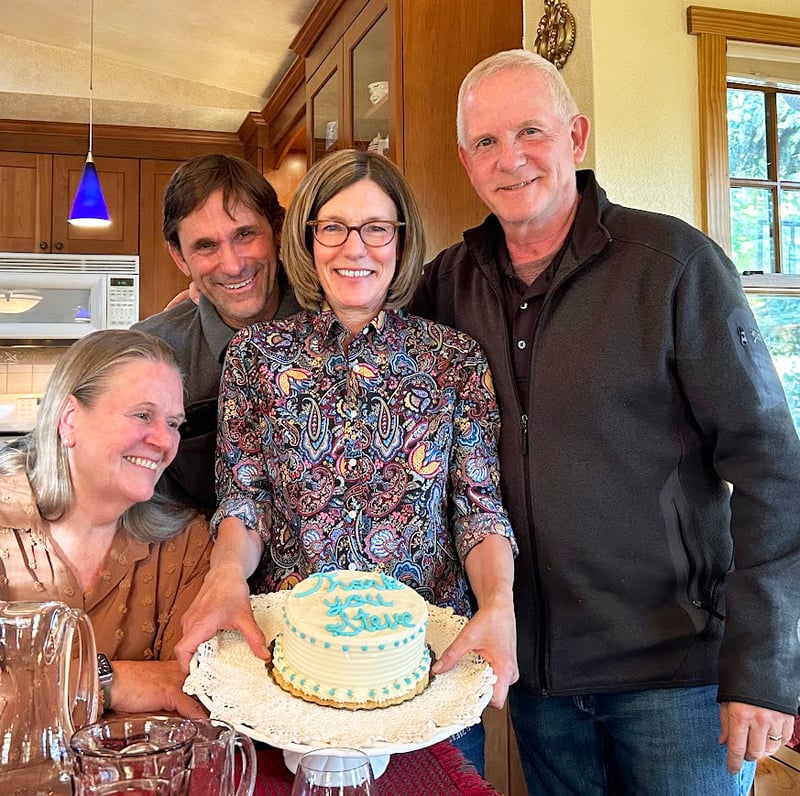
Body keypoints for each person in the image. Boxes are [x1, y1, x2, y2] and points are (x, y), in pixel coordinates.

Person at [410, 49, 800, 794]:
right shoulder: (447, 284)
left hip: (678, 679)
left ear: (576, 137)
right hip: (535, 683)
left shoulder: (675, 265)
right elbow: (372, 383)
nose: (510, 159)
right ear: (465, 160)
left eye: (531, 131)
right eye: (486, 142)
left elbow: (773, 470)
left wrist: (765, 664)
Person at [175, 148, 519, 773]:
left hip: (426, 672)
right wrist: (225, 571)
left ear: (401, 240)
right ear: (307, 240)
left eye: (376, 228)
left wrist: (499, 601)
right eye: (332, 227)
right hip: (291, 675)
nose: (354, 248)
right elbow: (245, 498)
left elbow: (479, 509)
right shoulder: (257, 356)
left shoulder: (456, 359)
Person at [0, 329, 213, 718]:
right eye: (143, 415)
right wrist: (109, 681)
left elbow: (190, 702)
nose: (165, 442)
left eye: (174, 423)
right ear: (69, 419)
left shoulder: (187, 546)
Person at [133, 154, 300, 516]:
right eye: (206, 245)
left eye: (245, 234)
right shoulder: (149, 355)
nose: (233, 265)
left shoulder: (344, 329)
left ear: (276, 229)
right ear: (179, 257)